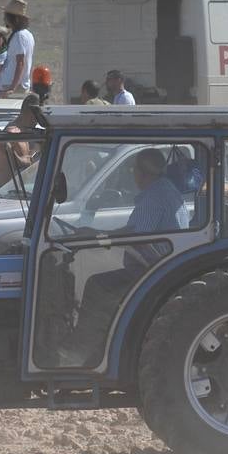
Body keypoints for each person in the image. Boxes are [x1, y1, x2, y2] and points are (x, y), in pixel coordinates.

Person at [59, 149, 187, 366]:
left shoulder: (154, 196)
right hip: (158, 263)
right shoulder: (166, 190)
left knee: (95, 284)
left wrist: (97, 236)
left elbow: (136, 236)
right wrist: (98, 236)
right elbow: (136, 231)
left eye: (134, 170)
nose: (133, 175)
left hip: (152, 268)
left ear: (141, 173)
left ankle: (83, 351)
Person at [0, 93, 42, 188]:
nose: (37, 121)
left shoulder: (25, 133)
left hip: (13, 191)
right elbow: (19, 164)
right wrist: (30, 161)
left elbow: (29, 157)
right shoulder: (12, 132)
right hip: (0, 190)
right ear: (31, 113)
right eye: (38, 116)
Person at [0, 0, 36, 97]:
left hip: (15, 85)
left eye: (6, 17)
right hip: (17, 84)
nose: (4, 19)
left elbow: (20, 62)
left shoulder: (19, 36)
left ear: (14, 19)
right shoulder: (28, 34)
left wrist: (12, 88)